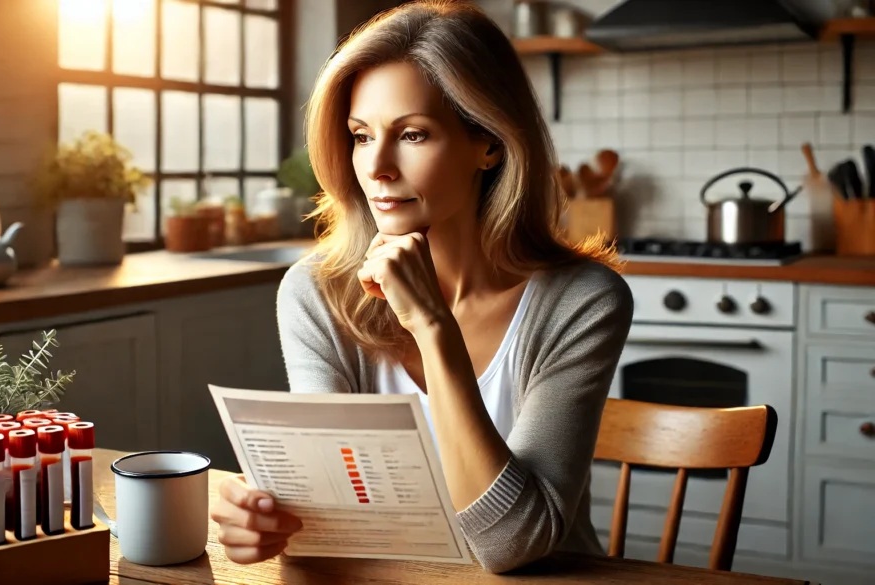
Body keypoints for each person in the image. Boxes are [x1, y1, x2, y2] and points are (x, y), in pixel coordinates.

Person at [209, 0, 634, 574]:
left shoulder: (582, 302)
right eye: (361, 136)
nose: (378, 166)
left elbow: (513, 544)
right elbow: (332, 510)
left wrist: (433, 325)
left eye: (412, 134)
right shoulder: (315, 292)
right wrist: (265, 515)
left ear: (489, 143)